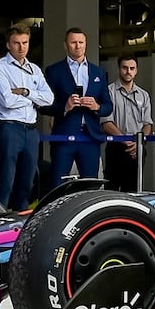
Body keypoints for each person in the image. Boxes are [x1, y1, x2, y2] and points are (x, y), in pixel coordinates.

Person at [0, 24, 54, 210]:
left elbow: (49, 99)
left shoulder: (34, 69)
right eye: (16, 43)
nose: (21, 47)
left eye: (25, 42)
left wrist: (25, 92)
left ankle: (21, 227)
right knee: (6, 182)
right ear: (8, 45)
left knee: (27, 183)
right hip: (9, 127)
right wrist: (34, 98)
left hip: (31, 130)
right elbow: (7, 101)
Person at [44, 27, 112, 189]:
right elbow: (44, 106)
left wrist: (96, 106)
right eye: (73, 42)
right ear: (65, 45)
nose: (78, 46)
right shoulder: (54, 71)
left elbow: (108, 106)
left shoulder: (98, 72)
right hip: (64, 136)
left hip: (90, 137)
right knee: (57, 186)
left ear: (86, 44)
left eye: (81, 42)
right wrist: (65, 107)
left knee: (91, 186)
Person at [100, 54, 154, 192]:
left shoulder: (144, 95)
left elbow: (147, 124)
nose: (128, 71)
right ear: (119, 69)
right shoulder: (108, 92)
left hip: (138, 149)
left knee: (134, 191)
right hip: (116, 148)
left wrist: (139, 143)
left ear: (136, 70)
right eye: (125, 68)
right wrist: (126, 142)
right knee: (111, 190)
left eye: (132, 68)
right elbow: (106, 123)